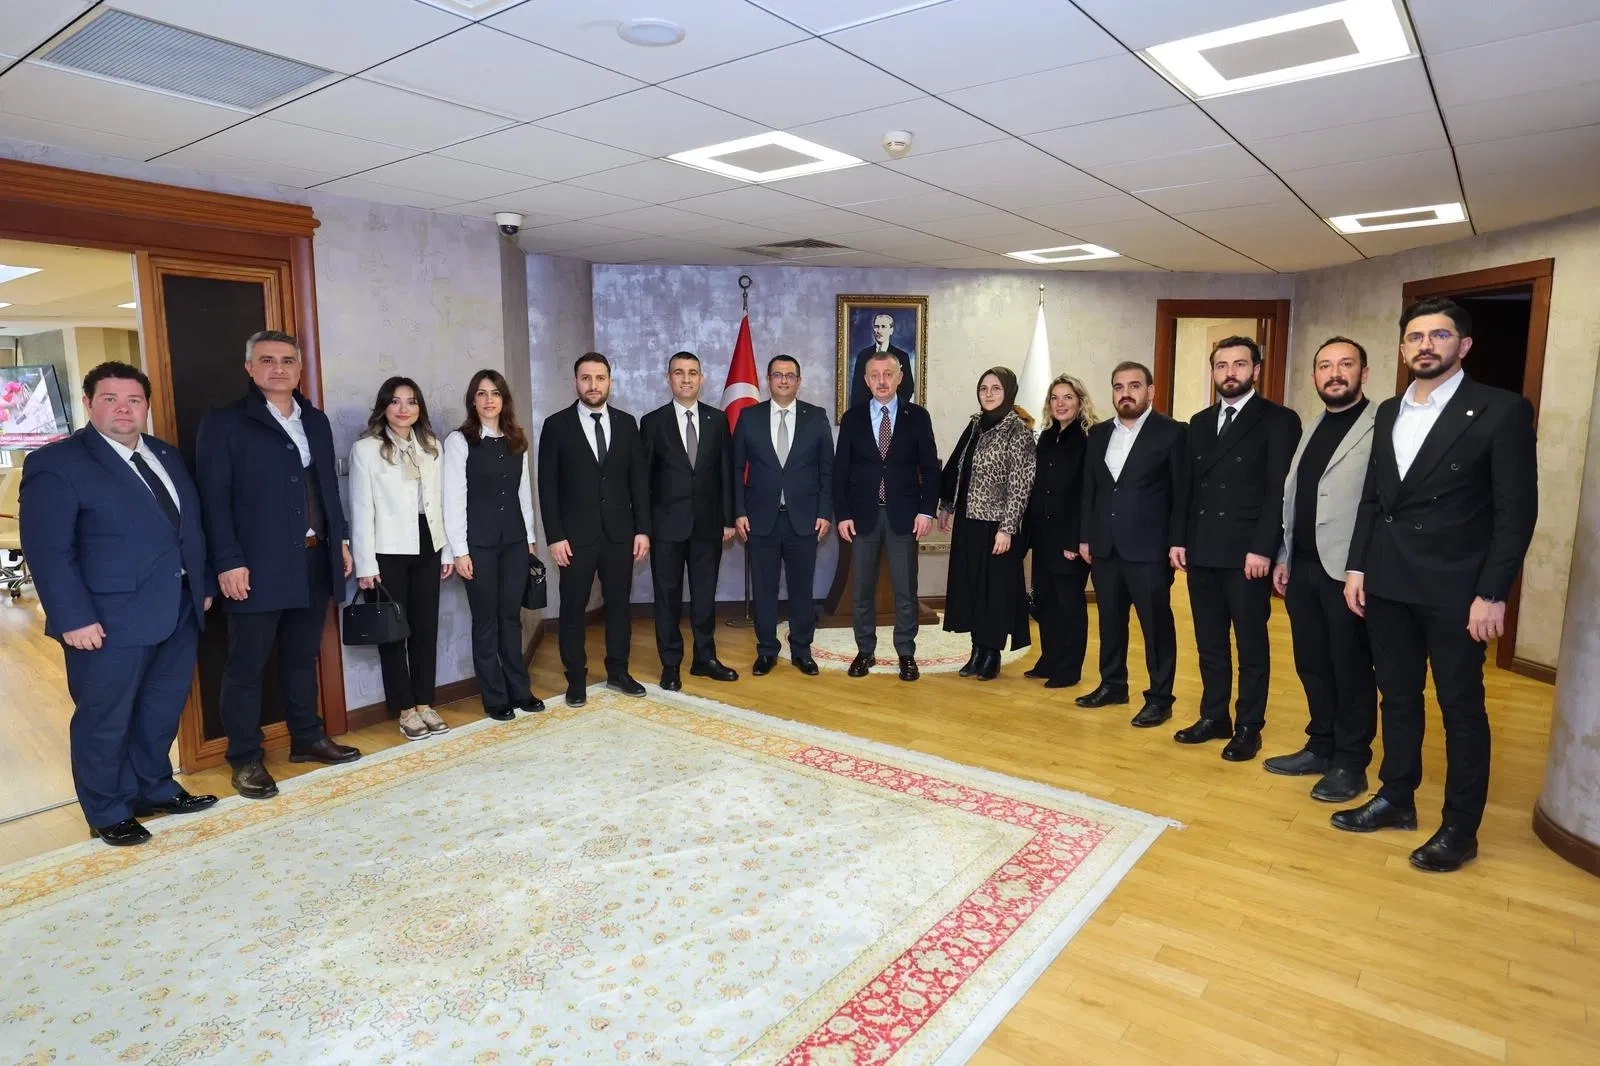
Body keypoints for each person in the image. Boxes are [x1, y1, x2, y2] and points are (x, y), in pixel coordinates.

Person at [1336, 297, 1538, 873]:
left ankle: (1460, 828)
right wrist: (1358, 567)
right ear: (1403, 348)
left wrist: (1493, 593)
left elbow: (1516, 511)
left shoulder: (1501, 409)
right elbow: (1374, 498)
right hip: (1388, 581)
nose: (1426, 345)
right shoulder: (1386, 412)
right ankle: (1396, 797)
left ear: (1463, 346)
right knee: (1397, 697)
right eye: (1416, 336)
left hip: (1457, 589)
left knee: (1460, 708)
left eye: (1439, 335)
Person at [19, 361, 217, 845]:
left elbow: (188, 527)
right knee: (104, 719)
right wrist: (73, 617)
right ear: (89, 403)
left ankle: (154, 788)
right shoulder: (57, 463)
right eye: (110, 399)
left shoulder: (165, 455)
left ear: (146, 406)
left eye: (133, 400)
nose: (123, 409)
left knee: (159, 710)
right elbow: (48, 550)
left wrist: (203, 584)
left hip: (178, 608)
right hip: (105, 620)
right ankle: (106, 810)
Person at [196, 330, 360, 801]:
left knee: (302, 657)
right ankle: (245, 758)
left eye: (288, 360)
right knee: (246, 667)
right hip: (255, 566)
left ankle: (306, 737)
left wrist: (340, 540)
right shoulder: (225, 423)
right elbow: (213, 500)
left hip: (314, 558)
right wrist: (228, 561)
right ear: (249, 368)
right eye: (267, 360)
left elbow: (327, 489)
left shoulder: (315, 420)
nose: (278, 368)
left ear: (300, 369)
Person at [1171, 336, 1302, 761]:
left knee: (1250, 645)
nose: (1230, 373)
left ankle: (1249, 726)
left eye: (1240, 364)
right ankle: (1214, 716)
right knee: (1209, 642)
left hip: (1248, 554)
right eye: (1222, 365)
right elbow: (1187, 487)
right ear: (1213, 371)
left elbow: (1279, 490)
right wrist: (1178, 539)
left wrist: (1264, 548)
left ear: (1256, 370)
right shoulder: (1199, 422)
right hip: (1202, 548)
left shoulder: (1279, 420)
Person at [1266, 338, 1379, 803]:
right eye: (1325, 366)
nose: (1335, 373)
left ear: (1363, 373)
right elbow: (1295, 496)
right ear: (1315, 376)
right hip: (1304, 567)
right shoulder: (1312, 425)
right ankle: (1321, 745)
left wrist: (1363, 568)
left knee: (1350, 668)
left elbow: (1380, 504)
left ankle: (1351, 762)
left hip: (1347, 574)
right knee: (1312, 662)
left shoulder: (1380, 425)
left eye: (1345, 364)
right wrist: (1283, 555)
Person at [1077, 362, 1187, 726]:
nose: (1126, 393)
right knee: (1110, 620)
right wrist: (1085, 536)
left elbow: (1181, 495)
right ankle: (1113, 684)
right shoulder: (1097, 434)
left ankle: (1160, 698)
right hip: (1104, 546)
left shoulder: (1172, 432)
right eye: (1118, 386)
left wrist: (1177, 542)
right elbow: (1090, 490)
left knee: (1155, 626)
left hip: (1149, 549)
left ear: (1150, 391)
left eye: (1134, 386)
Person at [538, 352, 650, 707]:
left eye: (600, 378)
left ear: (609, 382)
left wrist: (642, 530)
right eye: (586, 378)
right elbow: (547, 487)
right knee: (573, 608)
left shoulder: (627, 424)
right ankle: (576, 678)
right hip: (574, 538)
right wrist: (555, 536)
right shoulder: (556, 425)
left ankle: (618, 671)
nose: (593, 385)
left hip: (620, 534)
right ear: (576, 382)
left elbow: (638, 482)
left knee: (619, 606)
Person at [350, 377, 454, 740]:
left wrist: (447, 550)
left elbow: (441, 502)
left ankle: (425, 702)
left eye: (411, 401)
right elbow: (361, 509)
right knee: (393, 632)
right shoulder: (366, 450)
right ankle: (405, 709)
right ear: (384, 407)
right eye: (395, 401)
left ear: (419, 408)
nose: (403, 408)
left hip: (429, 543)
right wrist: (366, 564)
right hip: (387, 550)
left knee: (425, 628)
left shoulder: (432, 446)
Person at [834, 350, 940, 681]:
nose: (882, 381)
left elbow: (931, 469)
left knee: (905, 590)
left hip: (904, 517)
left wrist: (926, 511)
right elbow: (840, 472)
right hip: (862, 517)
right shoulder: (852, 418)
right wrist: (843, 514)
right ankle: (865, 651)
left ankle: (906, 653)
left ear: (900, 377)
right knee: (861, 590)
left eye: (888, 374)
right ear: (866, 381)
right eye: (875, 375)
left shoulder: (917, 417)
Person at [443, 369, 540, 722]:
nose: (489, 399)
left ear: (504, 399)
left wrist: (530, 542)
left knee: (511, 619)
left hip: (514, 542)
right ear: (473, 400)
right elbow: (453, 499)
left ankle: (520, 690)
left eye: (495, 393)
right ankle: (495, 697)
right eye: (482, 393)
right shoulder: (460, 441)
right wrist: (459, 551)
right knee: (485, 621)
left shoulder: (516, 439)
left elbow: (523, 495)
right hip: (478, 545)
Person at [640, 351, 737, 690]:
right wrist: (644, 529)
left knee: (704, 597)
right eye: (679, 372)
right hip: (666, 528)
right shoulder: (652, 422)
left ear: (701, 379)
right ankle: (671, 664)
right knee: (667, 599)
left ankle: (704, 658)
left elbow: (726, 471)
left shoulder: (717, 419)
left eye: (692, 372)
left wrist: (728, 519)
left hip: (708, 526)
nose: (686, 378)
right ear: (669, 378)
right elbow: (643, 481)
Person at [733, 354, 833, 677]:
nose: (784, 380)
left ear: (799, 381)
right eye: (778, 375)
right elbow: (736, 468)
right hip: (760, 520)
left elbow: (827, 470)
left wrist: (825, 512)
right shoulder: (749, 417)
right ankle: (766, 651)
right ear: (768, 380)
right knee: (764, 590)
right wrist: (738, 511)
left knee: (802, 589)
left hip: (804, 520)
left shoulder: (816, 417)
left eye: (790, 375)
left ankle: (802, 650)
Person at [938, 367, 1036, 680]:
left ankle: (991, 653)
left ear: (1008, 392)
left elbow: (1021, 485)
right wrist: (947, 506)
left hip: (998, 527)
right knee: (972, 588)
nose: (989, 394)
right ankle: (976, 650)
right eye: (984, 388)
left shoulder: (1017, 431)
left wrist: (1007, 528)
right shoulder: (974, 425)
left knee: (995, 592)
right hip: (969, 522)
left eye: (996, 388)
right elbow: (957, 467)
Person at [1024, 374, 1096, 688]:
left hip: (1070, 538)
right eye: (1055, 398)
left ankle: (1069, 668)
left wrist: (1076, 539)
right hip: (1044, 535)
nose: (1060, 403)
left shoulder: (1089, 438)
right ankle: (1050, 659)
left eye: (1067, 397)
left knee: (1069, 606)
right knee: (1046, 601)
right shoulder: (1047, 437)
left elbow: (1088, 493)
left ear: (1080, 401)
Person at [847, 313, 915, 409]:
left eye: (883, 327)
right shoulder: (863, 355)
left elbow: (908, 387)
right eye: (876, 327)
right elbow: (857, 389)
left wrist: (892, 407)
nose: (879, 331)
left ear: (891, 330)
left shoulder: (902, 356)